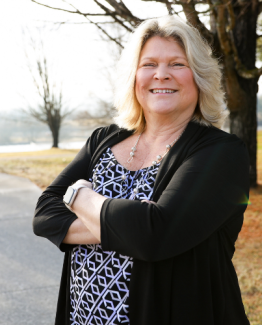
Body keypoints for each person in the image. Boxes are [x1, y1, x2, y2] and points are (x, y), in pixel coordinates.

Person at [33, 15, 250, 325]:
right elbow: (44, 215)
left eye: (177, 64)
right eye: (148, 65)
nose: (161, 75)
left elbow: (155, 235)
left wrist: (80, 198)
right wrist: (128, 225)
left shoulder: (221, 153)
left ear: (199, 76)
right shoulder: (104, 139)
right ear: (134, 76)